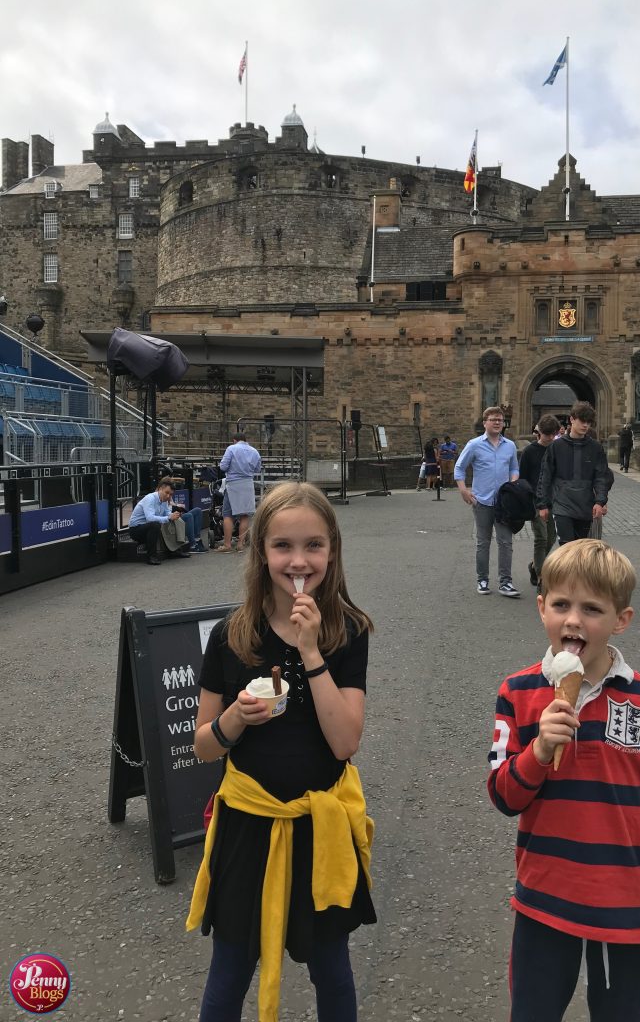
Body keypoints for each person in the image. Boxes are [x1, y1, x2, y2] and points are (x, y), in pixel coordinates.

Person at [187, 482, 376, 1022]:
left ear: (332, 550)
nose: (299, 560)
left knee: (331, 970)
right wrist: (233, 720)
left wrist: (311, 651)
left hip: (321, 827)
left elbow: (345, 742)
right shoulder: (230, 635)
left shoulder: (349, 631)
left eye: (313, 545)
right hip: (247, 824)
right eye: (283, 547)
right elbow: (202, 747)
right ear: (260, 551)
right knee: (229, 971)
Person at [487, 539, 640, 1022]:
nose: (573, 620)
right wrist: (537, 751)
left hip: (624, 909)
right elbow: (503, 795)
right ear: (541, 609)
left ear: (622, 620)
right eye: (561, 605)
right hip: (543, 901)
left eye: (592, 609)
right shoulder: (517, 692)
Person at [454, 406, 521, 597]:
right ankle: (482, 579)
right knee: (483, 542)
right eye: (493, 419)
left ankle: (505, 582)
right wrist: (463, 490)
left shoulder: (510, 445)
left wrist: (513, 482)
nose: (498, 422)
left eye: (500, 420)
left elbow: (515, 468)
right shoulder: (474, 444)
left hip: (503, 503)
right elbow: (459, 468)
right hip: (481, 501)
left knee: (505, 542)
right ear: (485, 423)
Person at [535, 401, 611, 546]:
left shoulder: (595, 448)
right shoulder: (556, 446)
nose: (585, 425)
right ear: (572, 419)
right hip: (562, 506)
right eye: (582, 421)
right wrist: (542, 504)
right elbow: (545, 476)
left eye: (589, 422)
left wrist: (600, 501)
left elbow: (601, 477)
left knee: (580, 549)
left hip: (585, 506)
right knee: (567, 547)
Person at [518, 415, 559, 591]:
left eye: (553, 434)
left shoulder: (557, 450)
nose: (550, 438)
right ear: (539, 432)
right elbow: (523, 478)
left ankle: (534, 565)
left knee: (551, 538)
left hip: (553, 500)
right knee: (541, 538)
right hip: (535, 500)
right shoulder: (529, 452)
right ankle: (542, 577)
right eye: (547, 434)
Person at [128, 476, 200, 564]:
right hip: (136, 529)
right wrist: (168, 517)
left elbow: (167, 513)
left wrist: (174, 515)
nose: (168, 496)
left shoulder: (165, 500)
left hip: (149, 526)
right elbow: (150, 518)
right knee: (155, 525)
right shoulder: (150, 498)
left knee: (175, 520)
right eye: (167, 493)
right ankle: (152, 557)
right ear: (161, 489)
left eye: (171, 494)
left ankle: (175, 550)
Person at [218, 432, 262, 552]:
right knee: (245, 515)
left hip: (233, 484)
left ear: (234, 440)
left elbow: (223, 466)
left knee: (227, 514)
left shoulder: (231, 449)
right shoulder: (254, 451)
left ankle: (227, 544)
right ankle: (240, 544)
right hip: (247, 484)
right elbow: (258, 468)